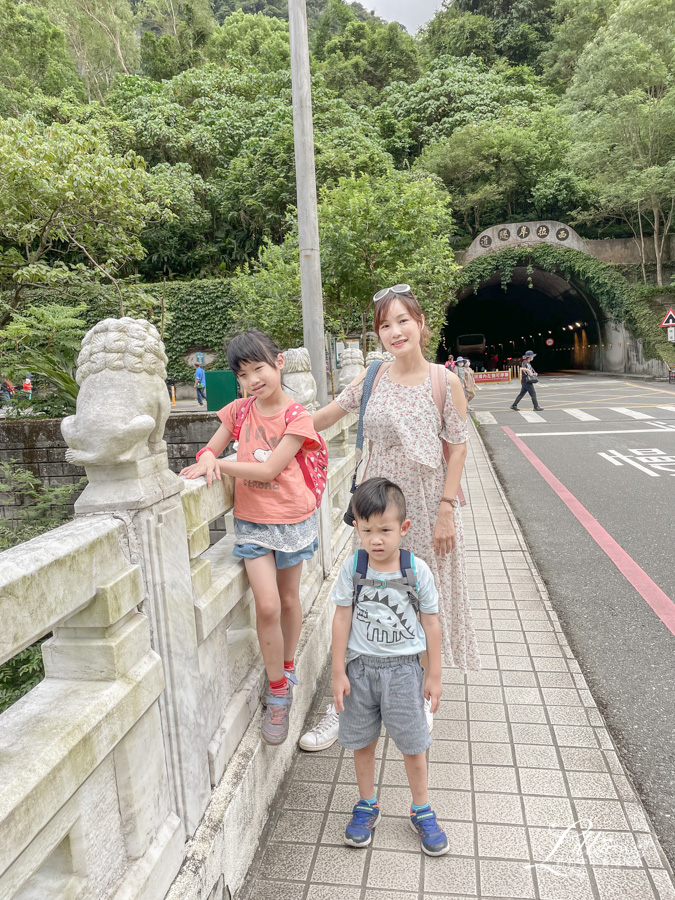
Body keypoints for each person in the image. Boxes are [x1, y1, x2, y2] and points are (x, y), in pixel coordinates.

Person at [299, 284, 480, 752]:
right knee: (364, 593)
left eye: (403, 320)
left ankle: (420, 699)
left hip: (424, 503)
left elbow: (458, 447)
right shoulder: (374, 376)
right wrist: (261, 430)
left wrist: (445, 510)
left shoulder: (445, 381)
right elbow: (329, 414)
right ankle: (344, 703)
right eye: (384, 324)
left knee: (419, 599)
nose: (394, 331)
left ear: (420, 324)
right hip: (377, 505)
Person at [180, 330, 322, 745]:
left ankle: (288, 665)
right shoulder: (239, 412)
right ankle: (278, 691)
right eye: (243, 374)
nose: (252, 380)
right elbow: (208, 450)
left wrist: (221, 465)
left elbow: (268, 470)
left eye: (259, 368)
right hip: (253, 521)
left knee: (290, 600)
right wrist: (207, 457)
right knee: (267, 604)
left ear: (278, 362)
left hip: (292, 518)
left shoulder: (298, 417)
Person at [332, 477, 449, 856]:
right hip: (360, 671)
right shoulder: (354, 567)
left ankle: (421, 809)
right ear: (357, 528)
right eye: (366, 530)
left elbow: (431, 623)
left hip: (403, 671)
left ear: (404, 528)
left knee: (413, 746)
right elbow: (341, 619)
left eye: (384, 530)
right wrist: (337, 672)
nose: (375, 539)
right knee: (362, 743)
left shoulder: (417, 571)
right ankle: (367, 804)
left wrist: (434, 675)